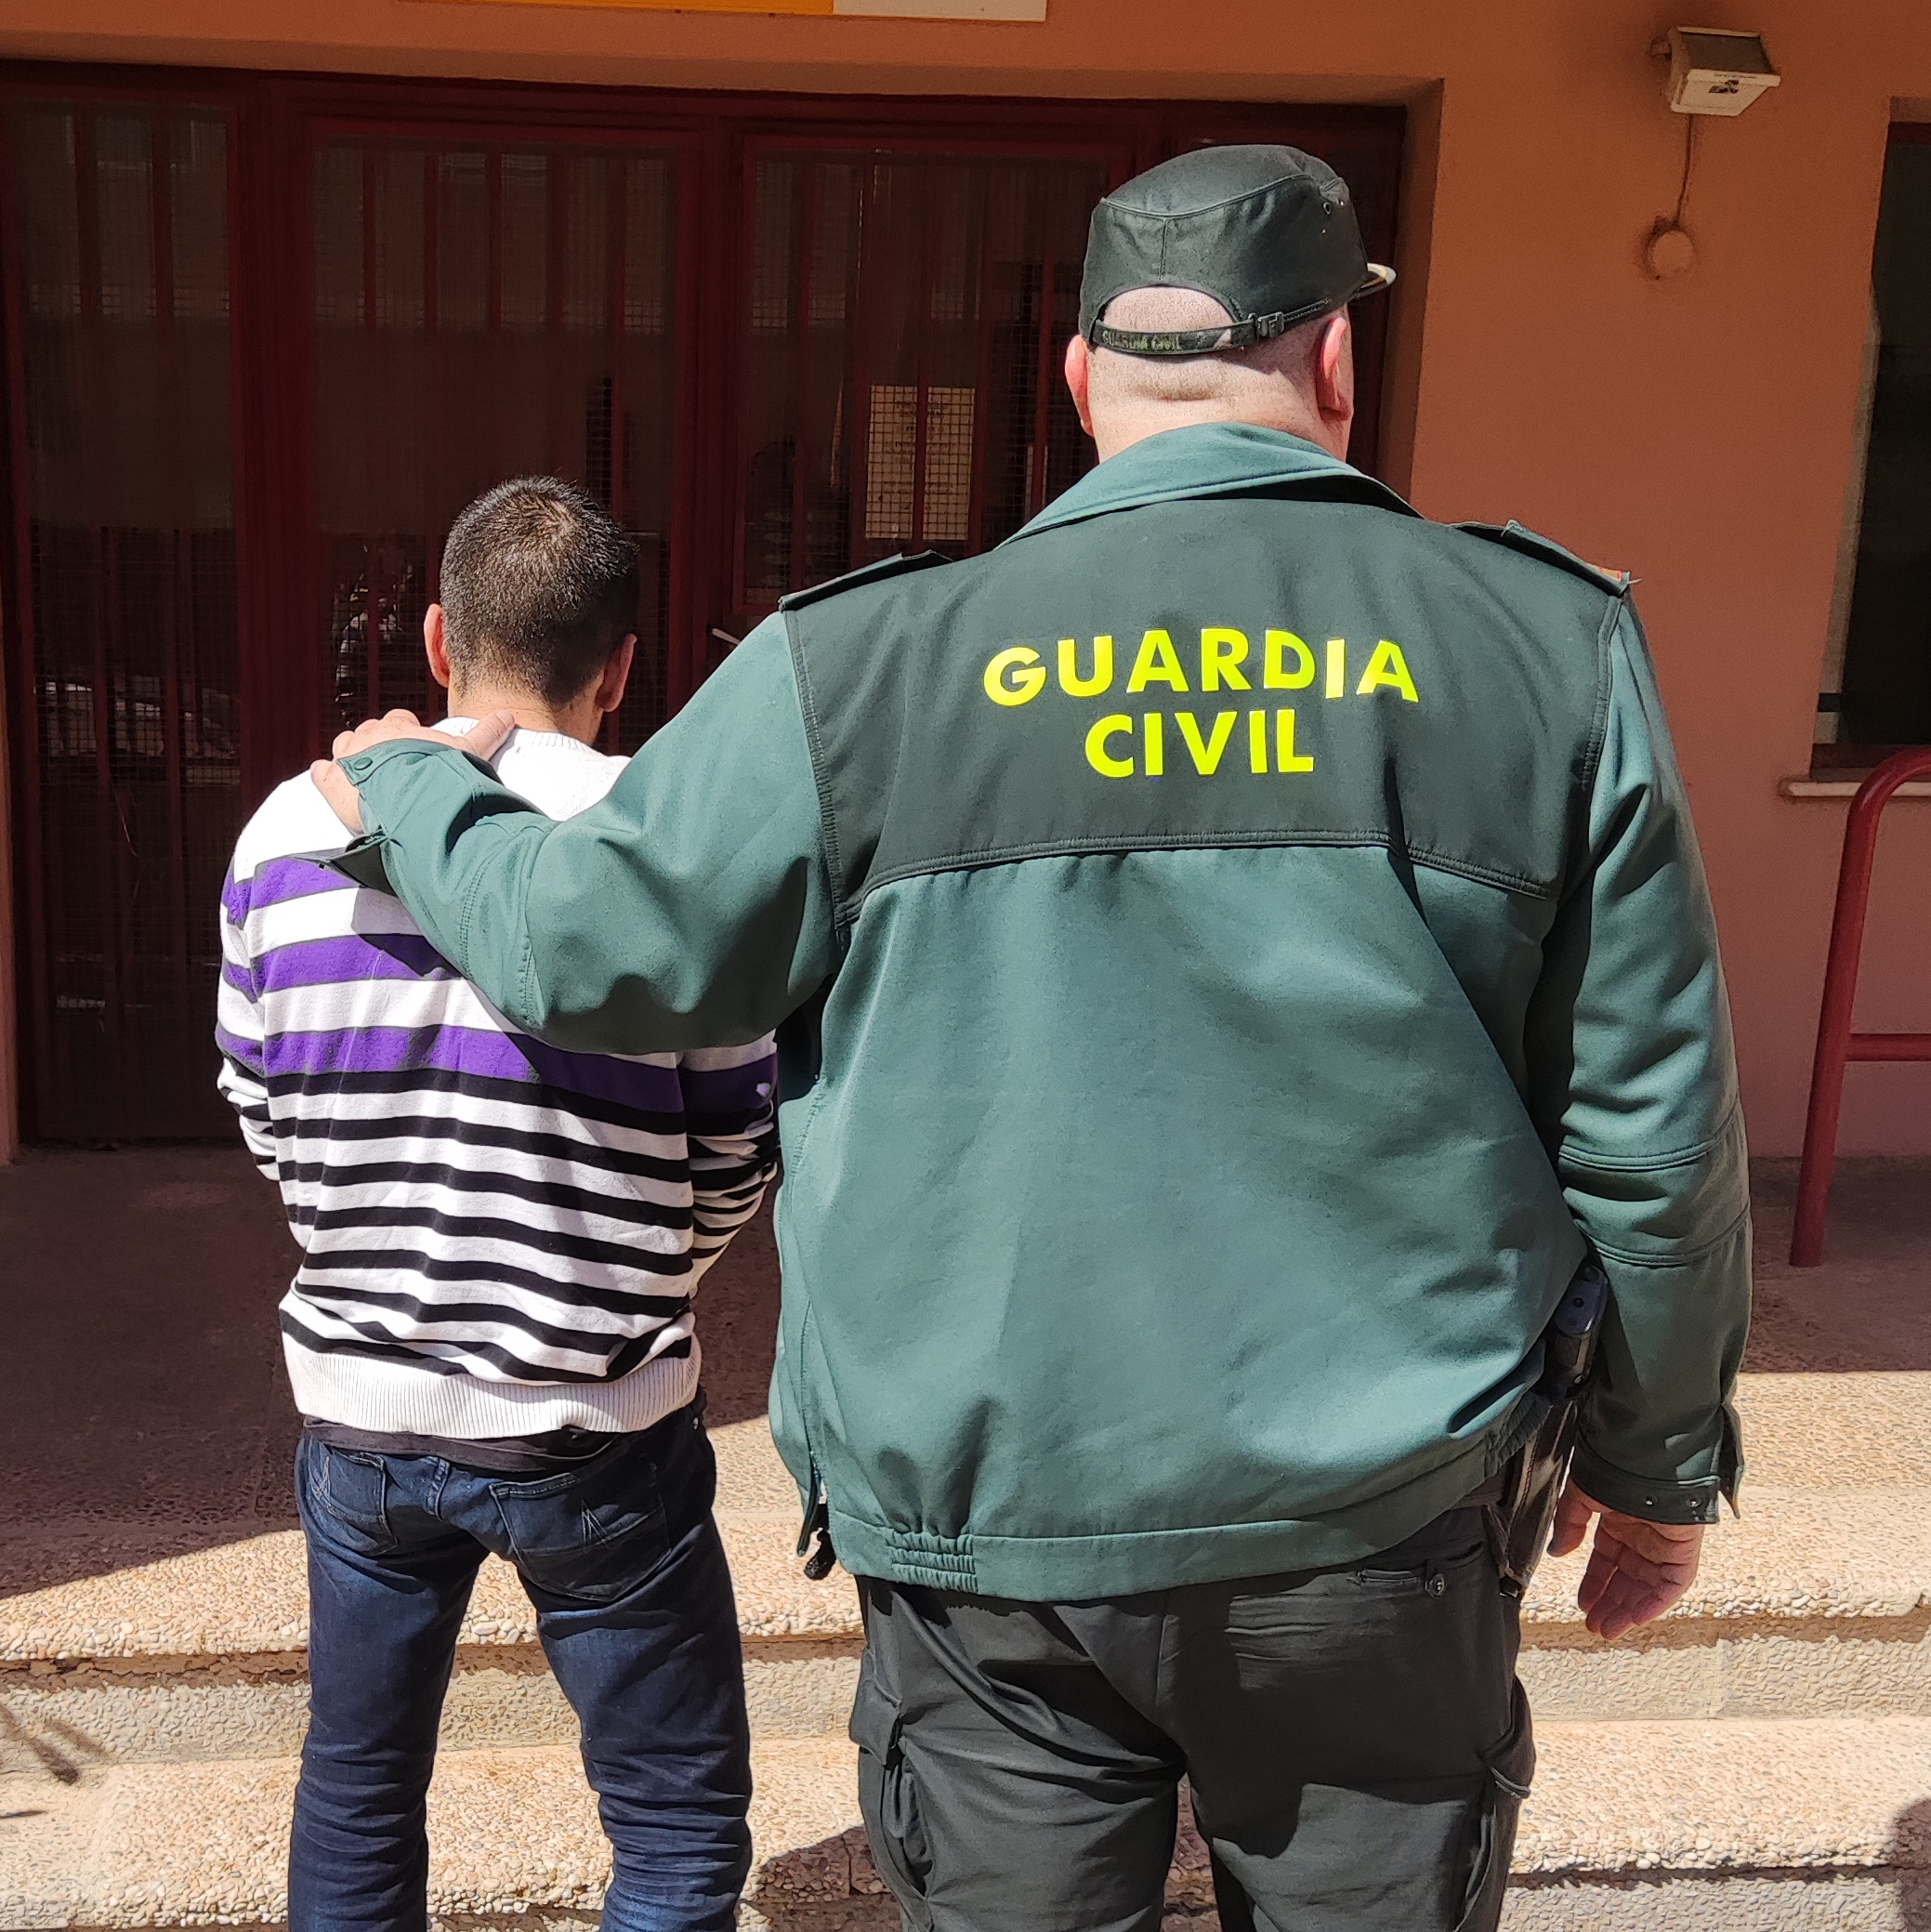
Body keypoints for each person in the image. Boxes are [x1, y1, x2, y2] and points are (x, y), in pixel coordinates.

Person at [310, 146, 1748, 1932]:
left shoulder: (859, 665)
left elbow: (584, 946)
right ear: (1335, 363)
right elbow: (1655, 1134)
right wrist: (1656, 1465)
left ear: (1076, 380)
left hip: (993, 1554)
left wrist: (413, 789)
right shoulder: (1542, 646)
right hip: (1382, 1533)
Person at [216, 477, 779, 1932]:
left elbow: (258, 1101)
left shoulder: (285, 831)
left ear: (436, 638)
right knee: (675, 1833)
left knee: (356, 1791)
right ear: (621, 668)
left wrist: (365, 1236)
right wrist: (636, 1276)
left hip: (362, 1409)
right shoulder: (667, 841)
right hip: (598, 1426)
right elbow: (737, 1145)